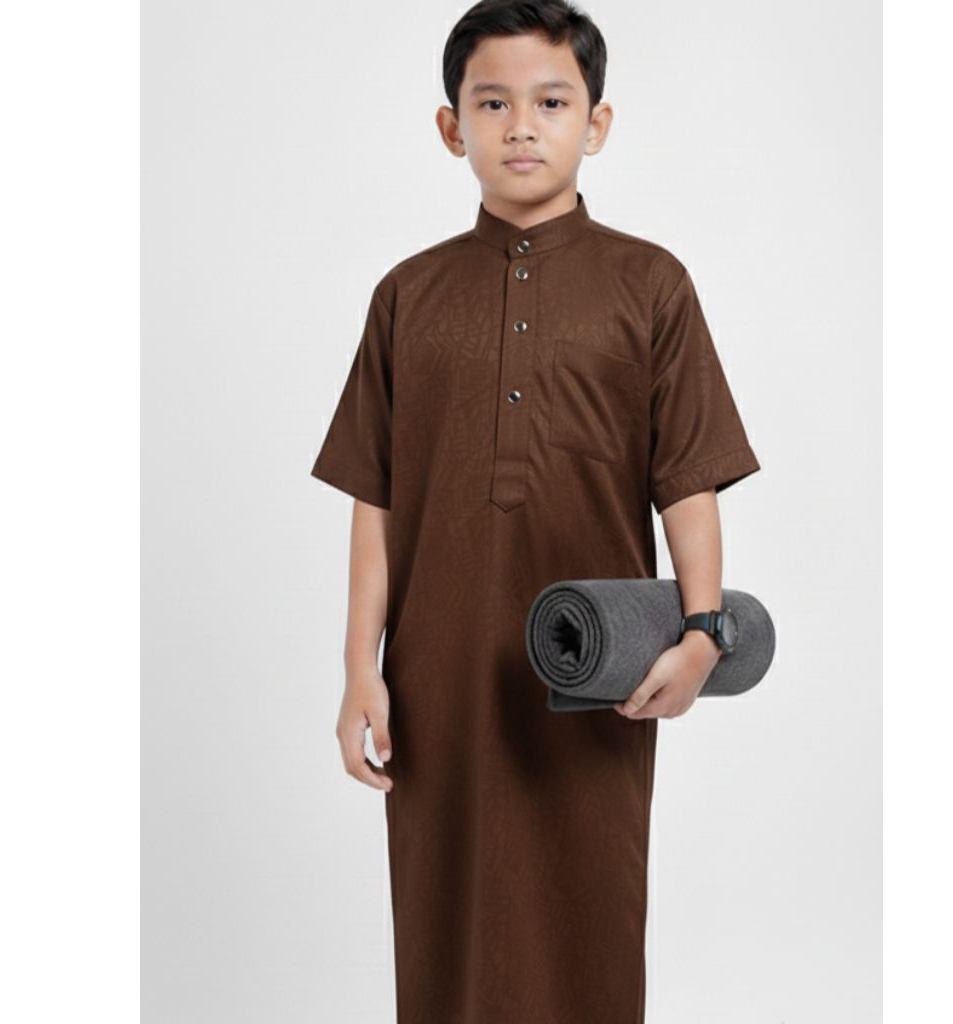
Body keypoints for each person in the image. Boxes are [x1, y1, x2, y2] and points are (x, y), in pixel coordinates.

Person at [311, 1, 761, 1021]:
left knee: (588, 904)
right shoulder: (407, 295)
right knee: (444, 916)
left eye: (551, 102)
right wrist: (358, 669)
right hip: (438, 673)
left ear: (595, 124)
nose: (521, 125)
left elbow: (687, 476)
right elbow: (375, 496)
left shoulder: (650, 285)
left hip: (593, 671)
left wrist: (701, 632)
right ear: (451, 127)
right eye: (493, 103)